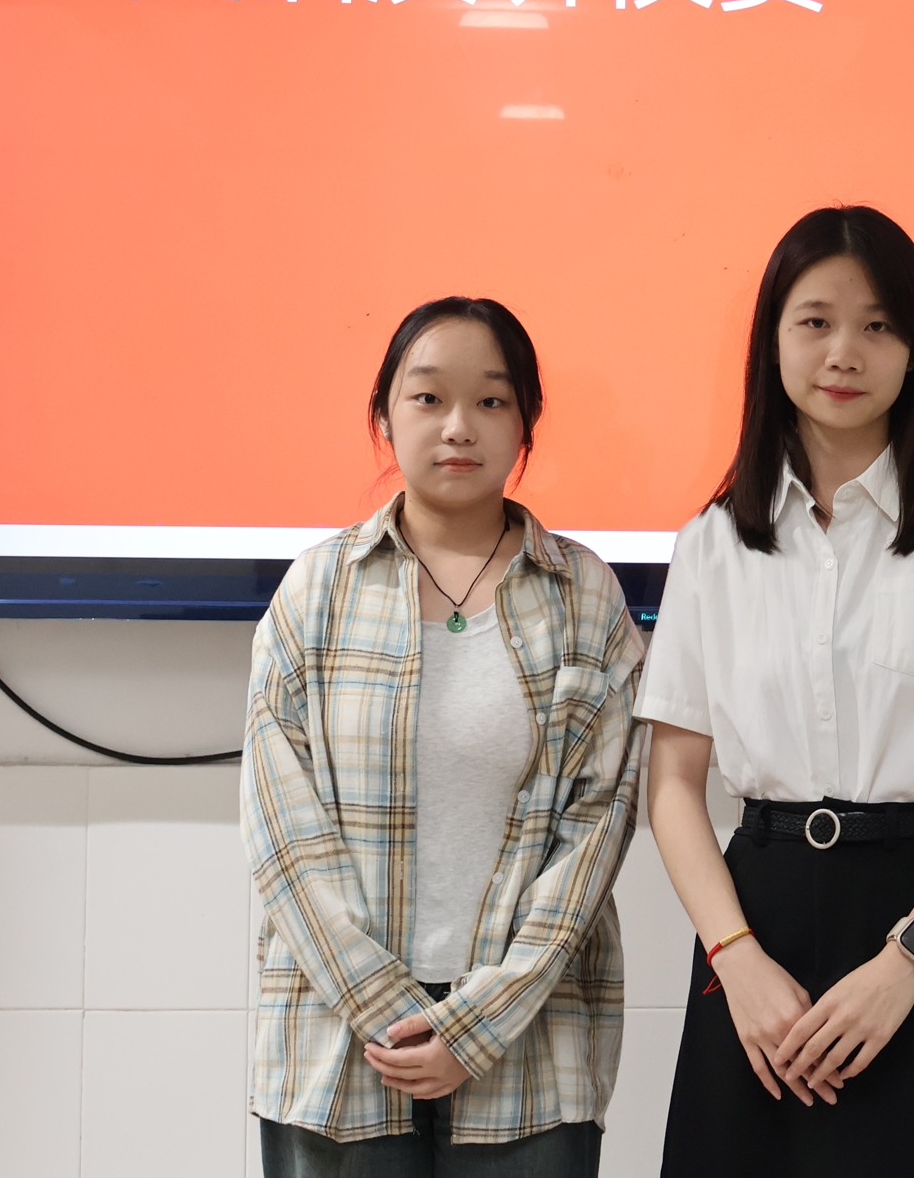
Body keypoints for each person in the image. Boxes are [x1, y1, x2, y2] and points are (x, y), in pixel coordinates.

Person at [637, 206, 914, 1177]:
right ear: (771, 340)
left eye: (878, 324)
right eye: (816, 321)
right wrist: (734, 958)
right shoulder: (711, 543)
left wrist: (906, 962)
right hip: (753, 932)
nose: (844, 350)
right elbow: (671, 785)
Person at [245, 297, 646, 1178]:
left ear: (526, 421)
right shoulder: (317, 591)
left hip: (530, 1050)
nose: (459, 425)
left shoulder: (584, 596)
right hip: (339, 1050)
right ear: (384, 415)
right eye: (429, 397)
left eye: (491, 400)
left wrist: (475, 1026)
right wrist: (389, 1011)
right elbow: (282, 835)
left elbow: (597, 829)